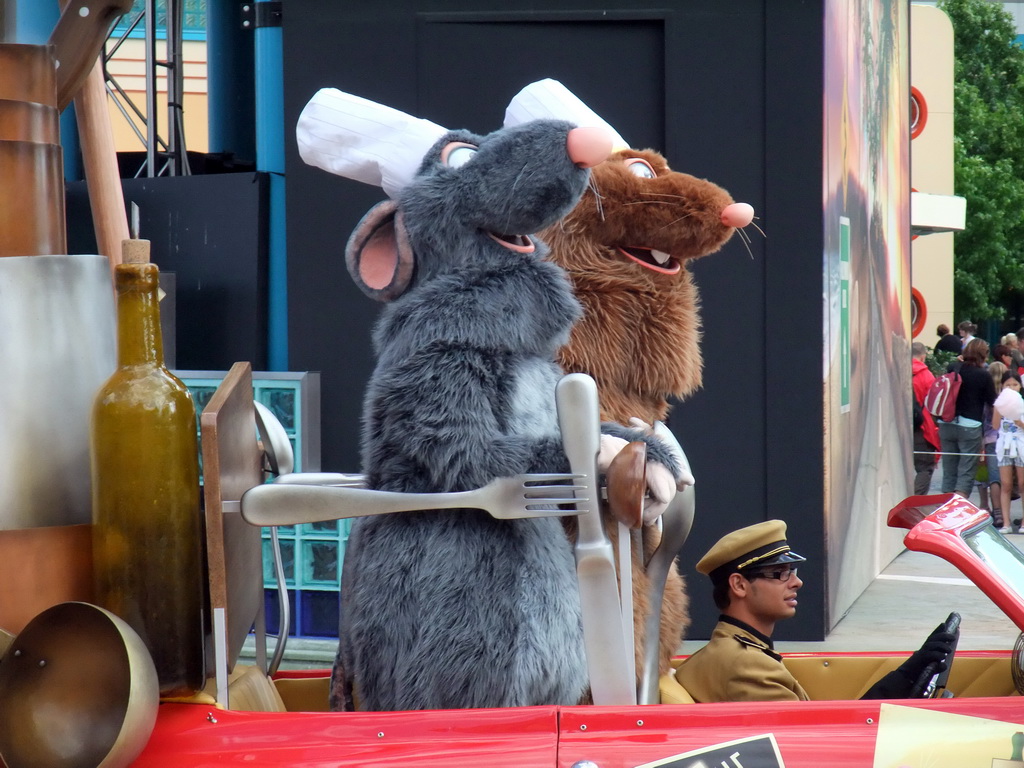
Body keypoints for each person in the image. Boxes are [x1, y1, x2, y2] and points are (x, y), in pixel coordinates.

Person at [675, 521, 957, 702]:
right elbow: (818, 745)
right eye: (779, 573)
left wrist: (908, 673)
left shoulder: (733, 653)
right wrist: (907, 676)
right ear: (738, 585)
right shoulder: (747, 666)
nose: (797, 582)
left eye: (792, 571)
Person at [938, 338, 997, 498]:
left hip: (946, 423)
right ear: (983, 355)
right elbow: (992, 402)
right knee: (966, 472)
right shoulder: (983, 375)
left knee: (949, 470)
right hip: (970, 426)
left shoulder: (953, 368)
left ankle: (946, 510)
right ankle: (957, 510)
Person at [994, 371, 1024, 534]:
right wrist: (1000, 409)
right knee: (1006, 484)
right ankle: (1006, 523)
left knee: (1022, 484)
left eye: (1015, 384)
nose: (1012, 388)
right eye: (1008, 385)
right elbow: (994, 425)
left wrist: (1019, 422)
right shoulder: (999, 404)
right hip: (1004, 445)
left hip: (1021, 445)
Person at [980, 361, 1007, 525]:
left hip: (989, 439)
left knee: (989, 477)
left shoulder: (986, 397)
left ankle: (991, 509)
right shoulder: (1007, 397)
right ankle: (1002, 513)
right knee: (1002, 478)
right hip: (1005, 440)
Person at [911, 342, 939, 494]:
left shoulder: (899, 370)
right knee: (925, 468)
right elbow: (934, 405)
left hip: (898, 425)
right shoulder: (927, 376)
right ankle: (915, 504)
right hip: (921, 427)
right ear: (923, 356)